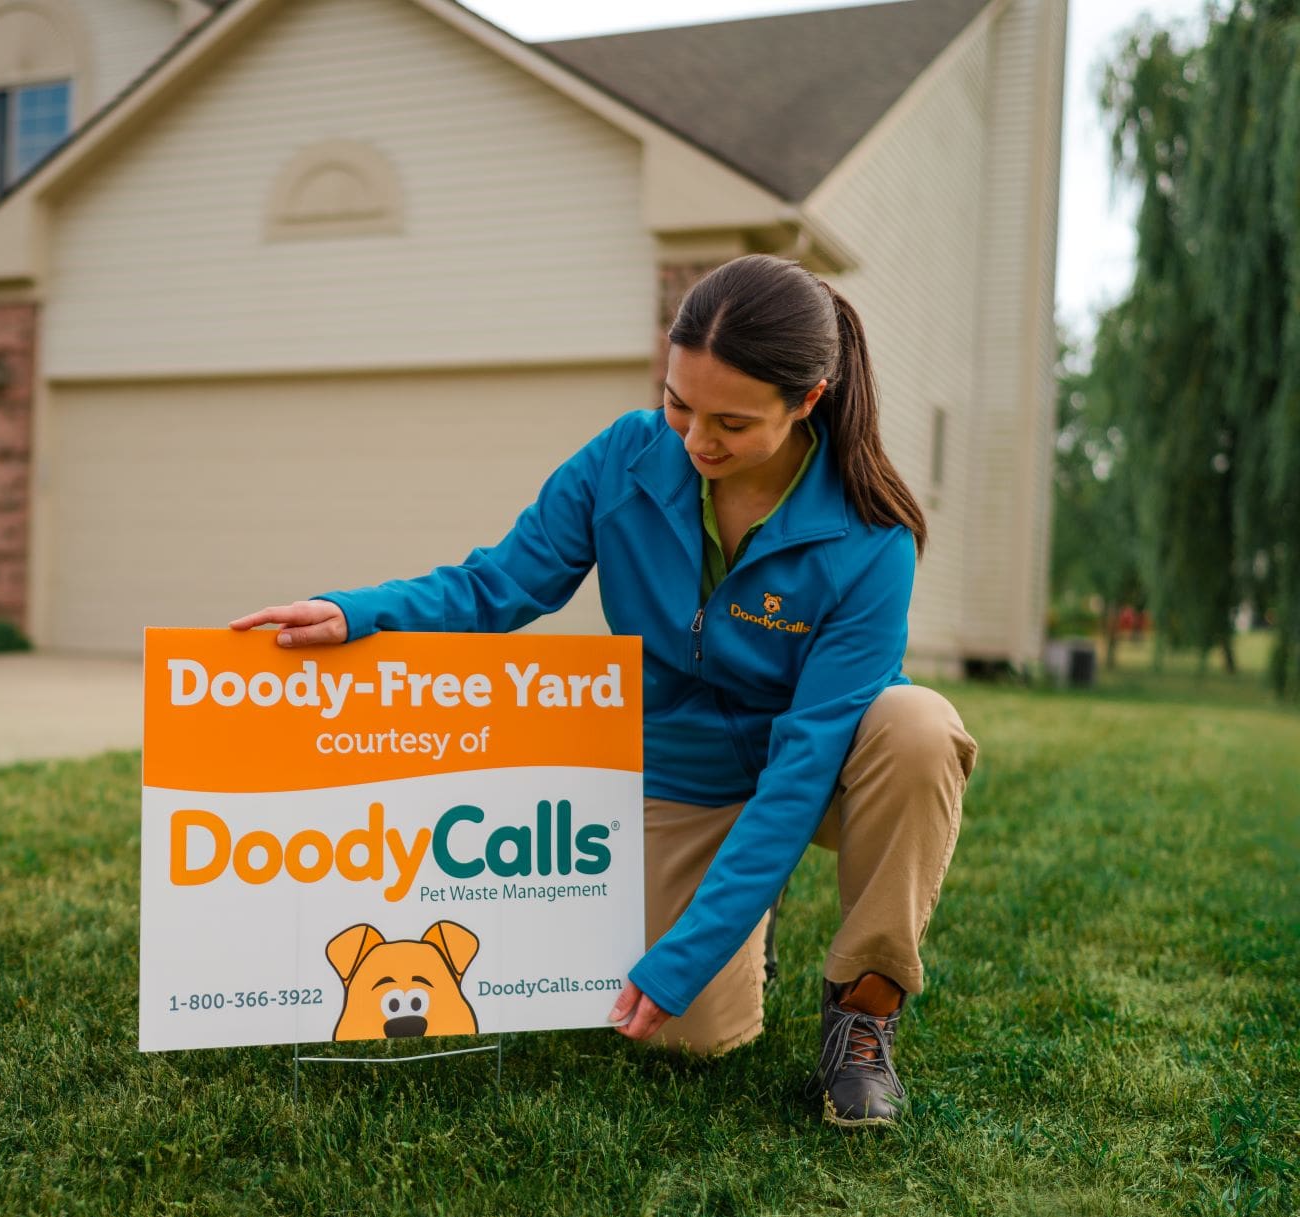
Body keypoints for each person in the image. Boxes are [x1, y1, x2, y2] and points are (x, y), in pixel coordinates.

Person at [230, 254, 980, 1129]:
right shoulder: (626, 457)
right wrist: (359, 613)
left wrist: (683, 956)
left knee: (918, 726)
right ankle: (751, 922)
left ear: (808, 399)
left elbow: (806, 762)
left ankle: (865, 1006)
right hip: (685, 771)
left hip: (825, 773)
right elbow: (497, 586)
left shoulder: (871, 538)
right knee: (687, 1038)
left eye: (731, 422)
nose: (695, 439)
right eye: (679, 403)